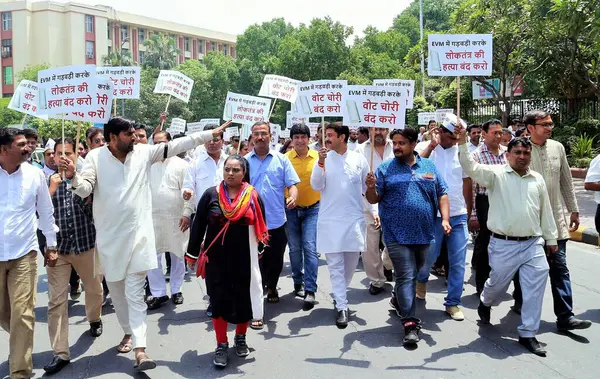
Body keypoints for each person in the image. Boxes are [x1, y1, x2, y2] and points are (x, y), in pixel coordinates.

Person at [61, 117, 229, 371]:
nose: (136, 138)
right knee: (118, 296)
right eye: (129, 134)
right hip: (109, 240)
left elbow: (176, 146)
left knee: (136, 295)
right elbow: (84, 189)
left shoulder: (142, 153)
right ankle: (128, 332)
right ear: (113, 138)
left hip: (139, 236)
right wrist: (73, 175)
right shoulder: (95, 158)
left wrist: (208, 135)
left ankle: (140, 349)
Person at [458, 132, 558, 357]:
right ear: (508, 155)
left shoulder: (537, 179)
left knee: (535, 286)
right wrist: (463, 143)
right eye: (517, 152)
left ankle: (528, 333)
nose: (522, 156)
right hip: (503, 245)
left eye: (526, 152)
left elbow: (546, 212)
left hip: (533, 244)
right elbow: (470, 167)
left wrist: (550, 239)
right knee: (496, 286)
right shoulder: (495, 175)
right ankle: (486, 301)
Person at [366, 128, 449, 346]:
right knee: (406, 274)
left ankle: (397, 298)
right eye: (394, 143)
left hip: (423, 232)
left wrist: (445, 219)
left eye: (401, 143)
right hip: (395, 233)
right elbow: (373, 198)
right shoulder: (385, 169)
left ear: (413, 144)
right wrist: (371, 187)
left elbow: (442, 193)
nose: (396, 147)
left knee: (418, 272)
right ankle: (410, 323)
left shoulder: (429, 166)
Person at [185, 155, 267, 368]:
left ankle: (241, 337)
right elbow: (199, 225)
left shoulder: (252, 196)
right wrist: (192, 254)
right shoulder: (210, 195)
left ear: (244, 173)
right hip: (217, 259)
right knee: (218, 300)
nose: (230, 174)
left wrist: (259, 252)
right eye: (227, 169)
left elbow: (262, 225)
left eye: (236, 170)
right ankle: (221, 343)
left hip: (244, 258)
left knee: (242, 299)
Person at [516, 110, 591, 331]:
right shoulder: (519, 149)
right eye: (545, 124)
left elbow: (566, 180)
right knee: (526, 272)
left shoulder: (557, 148)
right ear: (530, 128)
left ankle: (566, 316)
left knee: (559, 268)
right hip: (528, 223)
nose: (550, 128)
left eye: (551, 124)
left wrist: (574, 210)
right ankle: (520, 300)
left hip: (556, 221)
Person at [0, 128, 58, 379]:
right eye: (21, 144)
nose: (28, 148)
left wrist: (52, 245)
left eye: (28, 144)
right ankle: (20, 344)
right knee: (6, 314)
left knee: (23, 314)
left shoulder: (34, 175)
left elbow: (46, 211)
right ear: (3, 149)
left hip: (25, 254)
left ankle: (20, 372)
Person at [44, 138, 103, 375]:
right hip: (57, 251)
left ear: (77, 155)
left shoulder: (87, 179)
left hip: (86, 246)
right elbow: (36, 215)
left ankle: (94, 319)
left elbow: (97, 209)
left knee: (94, 288)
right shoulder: (45, 181)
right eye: (60, 153)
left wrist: (74, 181)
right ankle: (60, 352)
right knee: (56, 301)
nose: (63, 157)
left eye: (69, 152)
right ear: (53, 156)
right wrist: (51, 190)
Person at [311, 122, 369, 329]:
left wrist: (372, 188)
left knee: (351, 265)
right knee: (335, 266)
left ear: (342, 137)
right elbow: (316, 185)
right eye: (325, 135)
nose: (326, 139)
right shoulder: (322, 159)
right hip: (330, 220)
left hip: (354, 220)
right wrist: (319, 163)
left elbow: (367, 190)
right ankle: (342, 307)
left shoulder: (359, 158)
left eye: (330, 135)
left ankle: (339, 293)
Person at [245, 121, 300, 328]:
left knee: (275, 259)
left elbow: (292, 185)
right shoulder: (243, 161)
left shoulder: (281, 160)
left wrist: (293, 197)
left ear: (271, 136)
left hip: (276, 220)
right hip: (251, 221)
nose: (260, 137)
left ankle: (273, 286)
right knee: (255, 261)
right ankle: (257, 296)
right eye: (256, 134)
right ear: (251, 137)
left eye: (264, 134)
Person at [416, 117, 470, 321]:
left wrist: (470, 213)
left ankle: (453, 302)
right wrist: (431, 146)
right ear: (440, 131)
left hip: (458, 214)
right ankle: (421, 280)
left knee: (458, 261)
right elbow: (414, 167)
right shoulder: (427, 148)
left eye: (458, 137)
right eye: (451, 136)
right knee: (429, 257)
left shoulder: (462, 152)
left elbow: (467, 184)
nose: (455, 140)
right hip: (432, 216)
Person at [146, 131, 193, 310]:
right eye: (156, 143)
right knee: (152, 257)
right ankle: (158, 292)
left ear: (170, 144)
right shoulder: (147, 164)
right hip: (151, 217)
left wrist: (187, 212)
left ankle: (176, 289)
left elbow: (188, 191)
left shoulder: (182, 165)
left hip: (177, 217)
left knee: (178, 254)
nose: (160, 146)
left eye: (163, 143)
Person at [284, 124, 320, 306]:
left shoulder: (319, 157)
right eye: (296, 137)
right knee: (295, 249)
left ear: (309, 138)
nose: (299, 140)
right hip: (290, 210)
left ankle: (310, 289)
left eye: (303, 136)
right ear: (291, 139)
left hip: (313, 208)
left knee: (310, 248)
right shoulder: (284, 159)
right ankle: (297, 281)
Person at [355, 127, 394, 295]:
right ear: (370, 129)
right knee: (370, 245)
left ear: (389, 130)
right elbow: (357, 181)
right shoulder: (360, 151)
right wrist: (372, 208)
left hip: (393, 203)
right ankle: (376, 280)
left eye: (382, 129)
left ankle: (387, 264)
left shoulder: (397, 147)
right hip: (367, 203)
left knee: (394, 243)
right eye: (375, 129)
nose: (379, 132)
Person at [470, 120, 507, 294]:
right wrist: (474, 215)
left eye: (500, 133)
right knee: (485, 242)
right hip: (485, 202)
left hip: (506, 201)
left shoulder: (508, 154)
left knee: (506, 243)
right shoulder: (476, 156)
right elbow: (472, 187)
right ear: (484, 134)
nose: (498, 136)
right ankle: (481, 285)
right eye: (495, 133)